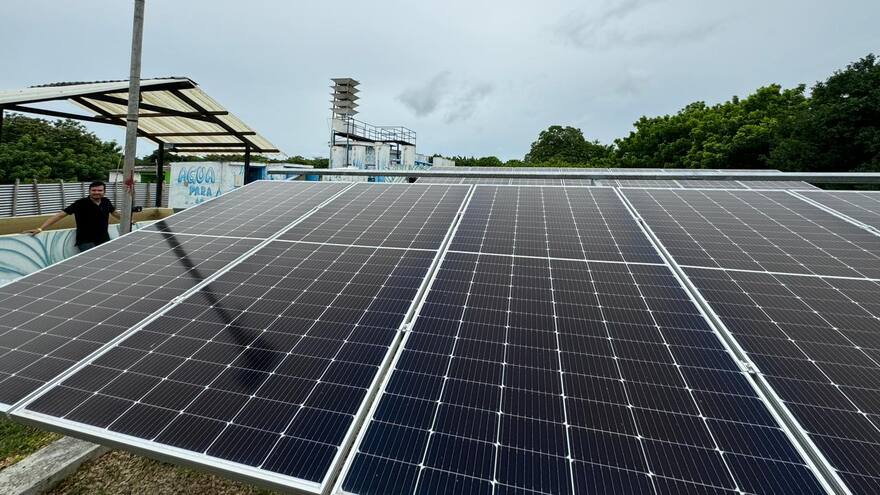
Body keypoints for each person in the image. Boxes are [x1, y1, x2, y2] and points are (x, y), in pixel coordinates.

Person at [25, 181, 122, 252]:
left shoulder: (106, 201)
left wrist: (128, 220)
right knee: (92, 265)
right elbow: (60, 215)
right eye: (94, 190)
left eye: (99, 190)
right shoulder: (80, 203)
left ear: (104, 191)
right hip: (86, 241)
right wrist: (40, 228)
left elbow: (115, 213)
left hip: (104, 239)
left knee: (106, 263)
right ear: (89, 191)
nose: (96, 192)